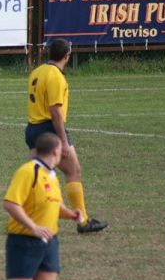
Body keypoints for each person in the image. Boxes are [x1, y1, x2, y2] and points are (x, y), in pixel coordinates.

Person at [25, 38, 107, 234]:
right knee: (74, 172)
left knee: (36, 176)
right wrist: (62, 140)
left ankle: (24, 219)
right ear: (67, 56)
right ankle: (83, 222)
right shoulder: (56, 77)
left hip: (32, 129)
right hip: (49, 130)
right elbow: (55, 113)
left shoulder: (37, 72)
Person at [0, 132, 83, 280]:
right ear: (55, 151)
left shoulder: (52, 175)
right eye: (62, 149)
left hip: (49, 243)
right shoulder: (28, 172)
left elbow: (53, 205)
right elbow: (10, 203)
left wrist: (71, 214)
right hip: (23, 241)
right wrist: (34, 227)